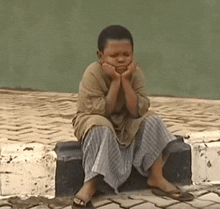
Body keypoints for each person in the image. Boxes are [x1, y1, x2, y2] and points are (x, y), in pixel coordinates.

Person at [72, 25, 193, 208]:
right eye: (114, 56)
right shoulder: (92, 73)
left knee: (153, 119)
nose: (121, 59)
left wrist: (125, 81)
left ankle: (156, 177)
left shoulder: (135, 72)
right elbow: (103, 111)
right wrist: (114, 81)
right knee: (100, 126)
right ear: (100, 56)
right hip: (96, 120)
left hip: (127, 122)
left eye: (126, 55)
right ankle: (91, 184)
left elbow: (137, 111)